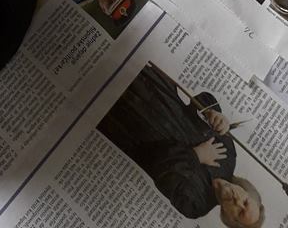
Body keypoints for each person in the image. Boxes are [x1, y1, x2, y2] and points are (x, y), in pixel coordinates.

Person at [97, 64, 265, 224]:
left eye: (240, 212)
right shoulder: (229, 156)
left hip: (125, 118)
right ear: (246, 191)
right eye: (246, 202)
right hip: (152, 87)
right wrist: (214, 114)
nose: (238, 202)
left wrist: (196, 155)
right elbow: (200, 101)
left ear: (230, 219)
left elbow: (160, 168)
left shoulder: (195, 206)